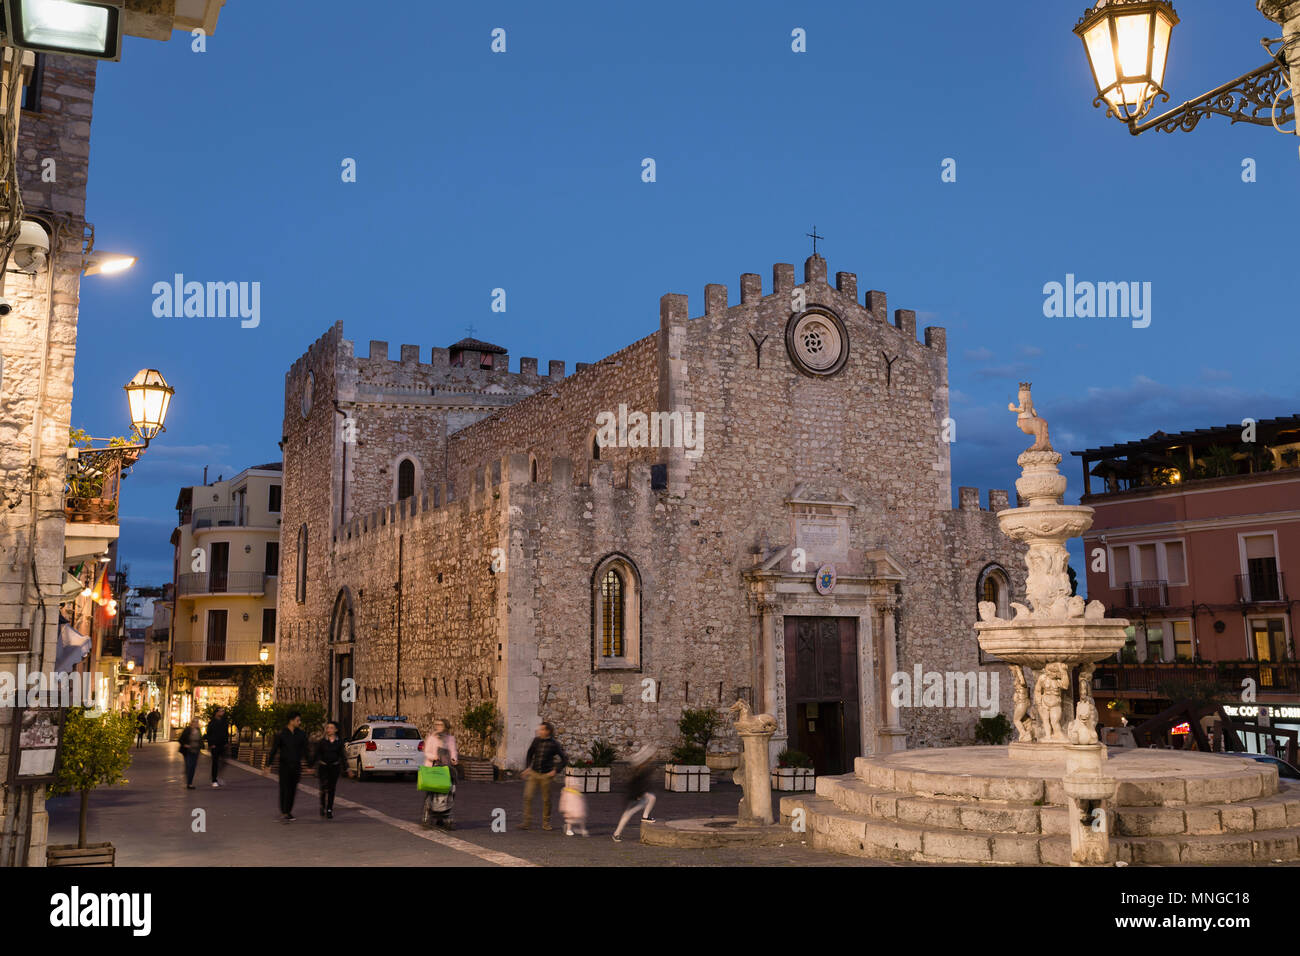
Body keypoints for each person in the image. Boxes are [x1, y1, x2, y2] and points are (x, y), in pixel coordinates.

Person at [521, 722, 566, 831]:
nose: (539, 731)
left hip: (546, 775)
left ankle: (546, 822)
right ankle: (526, 822)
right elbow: (530, 753)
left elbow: (564, 758)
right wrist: (528, 767)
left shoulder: (554, 744)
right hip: (534, 773)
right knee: (527, 796)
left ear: (547, 731)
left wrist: (556, 770)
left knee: (546, 800)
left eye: (542, 729)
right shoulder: (536, 741)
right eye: (540, 729)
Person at [267, 710, 311, 822]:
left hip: (296, 766)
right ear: (291, 721)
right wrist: (268, 765)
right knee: (284, 789)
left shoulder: (301, 734)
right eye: (298, 720)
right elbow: (274, 750)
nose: (299, 722)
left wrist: (309, 765)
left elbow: (305, 751)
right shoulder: (281, 734)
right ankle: (284, 811)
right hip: (284, 766)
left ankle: (288, 811)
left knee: (292, 790)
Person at [612, 745, 657, 842]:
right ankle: (616, 834)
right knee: (627, 814)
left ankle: (645, 817)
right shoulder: (640, 771)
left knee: (652, 797)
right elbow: (635, 785)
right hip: (634, 795)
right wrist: (638, 796)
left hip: (637, 794)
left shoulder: (641, 770)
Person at [420, 718, 459, 830]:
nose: (438, 727)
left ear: (445, 726)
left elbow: (453, 751)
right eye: (436, 724)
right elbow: (427, 751)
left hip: (446, 768)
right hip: (433, 768)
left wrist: (453, 759)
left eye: (440, 725)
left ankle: (444, 817)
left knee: (448, 792)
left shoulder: (450, 739)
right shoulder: (432, 738)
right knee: (431, 794)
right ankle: (427, 816)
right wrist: (434, 757)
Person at [314, 720, 346, 819]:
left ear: (336, 730)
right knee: (323, 788)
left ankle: (329, 809)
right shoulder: (322, 742)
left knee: (332, 789)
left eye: (331, 728)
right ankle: (323, 805)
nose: (329, 730)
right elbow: (317, 755)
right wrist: (311, 766)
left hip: (334, 767)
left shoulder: (339, 742)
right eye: (327, 728)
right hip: (323, 767)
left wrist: (347, 768)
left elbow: (342, 756)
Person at [204, 707, 230, 788]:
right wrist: (211, 744)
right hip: (215, 745)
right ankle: (214, 780)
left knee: (224, 762)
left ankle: (219, 776)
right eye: (221, 711)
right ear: (216, 712)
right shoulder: (212, 723)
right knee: (215, 762)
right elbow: (208, 734)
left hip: (223, 745)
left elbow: (226, 733)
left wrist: (226, 742)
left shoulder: (224, 722)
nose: (222, 712)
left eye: (223, 711)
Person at [179, 718, 203, 789]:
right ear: (191, 723)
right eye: (195, 722)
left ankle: (190, 783)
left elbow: (200, 740)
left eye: (197, 722)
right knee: (189, 766)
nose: (196, 723)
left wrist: (201, 746)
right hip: (187, 751)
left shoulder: (198, 730)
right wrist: (185, 745)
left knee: (193, 767)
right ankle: (188, 781)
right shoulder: (187, 730)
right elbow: (181, 739)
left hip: (195, 751)